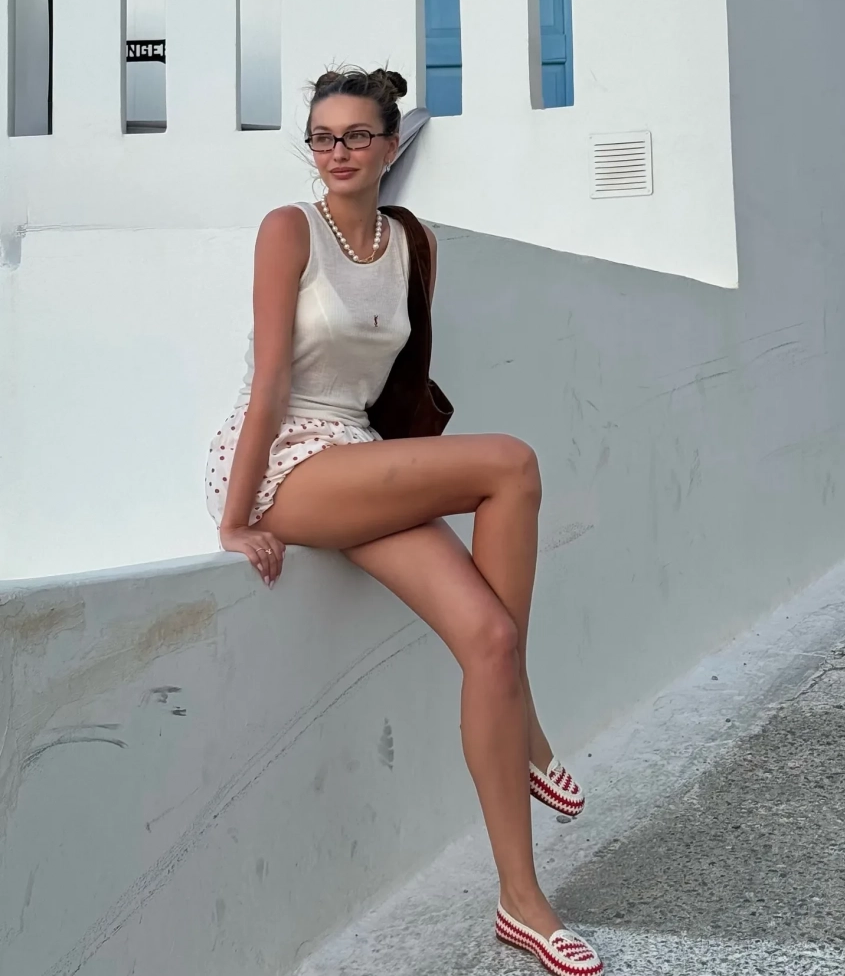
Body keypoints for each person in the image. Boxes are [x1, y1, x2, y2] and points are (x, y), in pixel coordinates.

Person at [205, 66, 603, 976]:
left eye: (356, 135)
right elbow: (270, 383)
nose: (337, 152)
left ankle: (521, 901)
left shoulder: (413, 242)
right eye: (322, 136)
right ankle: (527, 725)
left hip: (360, 454)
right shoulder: (287, 229)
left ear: (391, 144)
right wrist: (236, 517)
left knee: (489, 638)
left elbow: (397, 374)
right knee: (511, 463)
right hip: (291, 462)